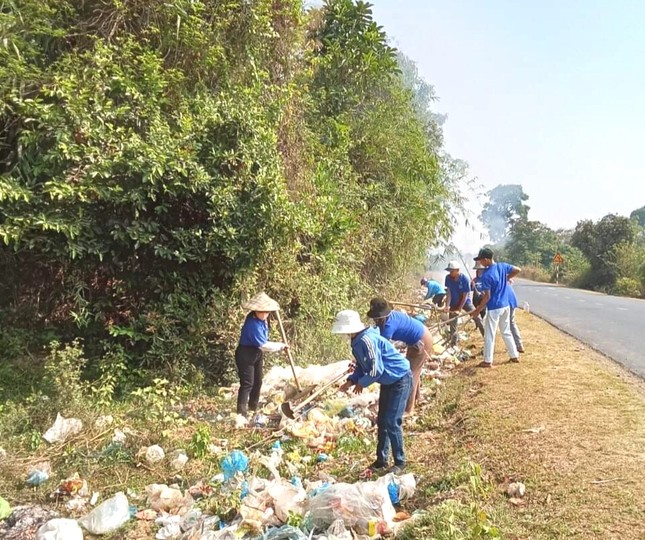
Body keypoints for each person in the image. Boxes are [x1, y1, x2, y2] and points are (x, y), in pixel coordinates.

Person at [333, 309, 412, 475]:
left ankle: (400, 461)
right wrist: (352, 380)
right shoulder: (356, 343)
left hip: (399, 378)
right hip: (388, 381)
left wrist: (361, 383)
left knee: (392, 421)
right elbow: (363, 366)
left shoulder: (367, 340)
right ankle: (381, 460)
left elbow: (376, 370)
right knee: (382, 421)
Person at [367, 298, 433, 415]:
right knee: (414, 371)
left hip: (421, 341)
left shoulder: (388, 326)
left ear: (384, 316)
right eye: (375, 319)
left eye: (378, 319)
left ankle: (408, 409)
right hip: (415, 341)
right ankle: (417, 398)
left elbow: (380, 348)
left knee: (410, 375)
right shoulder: (387, 319)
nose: (376, 322)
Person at [236, 293, 288, 417]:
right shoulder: (252, 324)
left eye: (267, 312)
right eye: (262, 312)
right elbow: (263, 345)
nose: (264, 314)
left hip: (256, 353)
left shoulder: (263, 320)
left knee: (258, 381)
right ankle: (241, 413)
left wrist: (281, 345)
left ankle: (253, 407)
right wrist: (281, 346)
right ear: (256, 311)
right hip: (246, 353)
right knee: (247, 383)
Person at [469, 248, 521, 367]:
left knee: (489, 334)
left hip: (494, 308)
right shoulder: (503, 266)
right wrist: (507, 278)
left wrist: (477, 311)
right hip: (505, 305)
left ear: (486, 259)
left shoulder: (487, 275)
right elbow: (518, 269)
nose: (480, 263)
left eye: (481, 260)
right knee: (506, 331)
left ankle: (487, 361)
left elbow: (487, 297)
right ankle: (514, 356)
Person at [444, 261, 485, 345]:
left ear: (458, 270)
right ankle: (453, 344)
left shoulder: (465, 279)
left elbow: (465, 296)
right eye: (449, 271)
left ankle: (487, 338)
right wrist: (447, 306)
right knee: (453, 324)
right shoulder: (448, 278)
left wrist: (459, 310)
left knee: (477, 317)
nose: (450, 273)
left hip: (465, 302)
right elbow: (449, 293)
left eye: (452, 271)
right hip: (453, 303)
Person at [507, 281, 525, 353]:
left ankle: (518, 345)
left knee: (510, 323)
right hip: (511, 302)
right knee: (510, 323)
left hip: (508, 302)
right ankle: (516, 344)